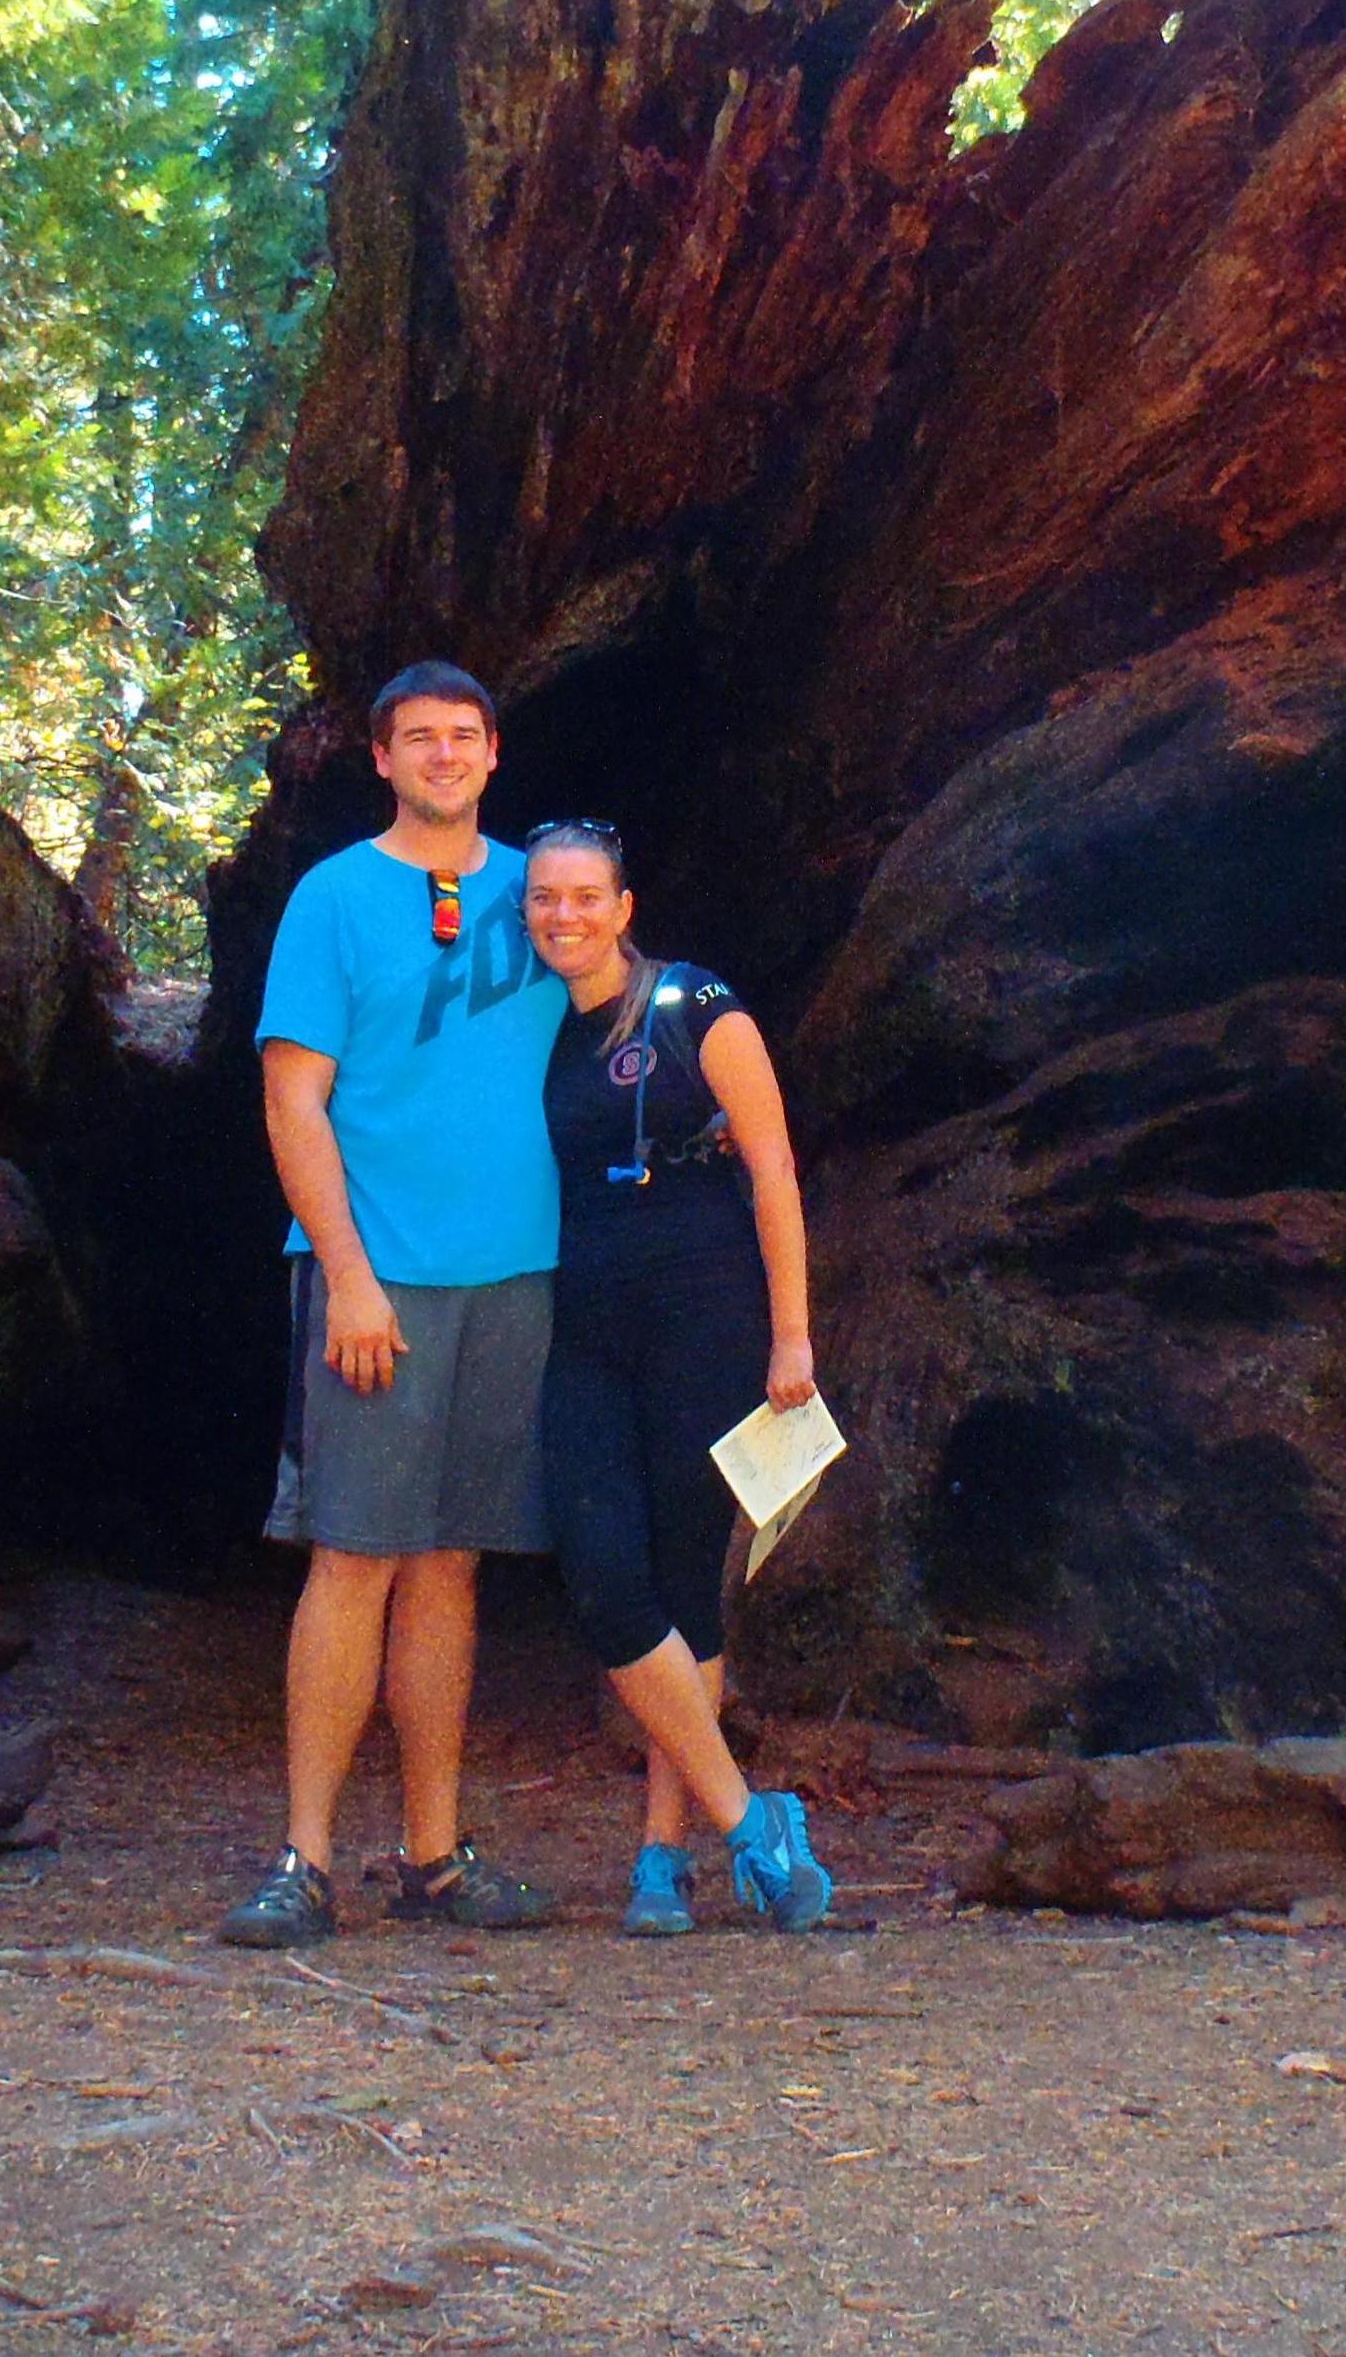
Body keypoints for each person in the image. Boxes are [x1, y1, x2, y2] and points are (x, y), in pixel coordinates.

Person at [221, 662, 567, 1949]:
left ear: (492, 752)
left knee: (449, 1563)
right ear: (379, 759)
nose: (442, 756)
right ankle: (303, 1858)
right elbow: (292, 1099)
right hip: (378, 1280)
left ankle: (433, 1853)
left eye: (463, 736)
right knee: (352, 1554)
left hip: (512, 1272)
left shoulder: (539, 892)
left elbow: (628, 1013)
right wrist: (349, 1275)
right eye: (417, 738)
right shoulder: (335, 899)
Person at [521, 819, 832, 1935]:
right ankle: (753, 1822)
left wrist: (791, 1338)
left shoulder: (696, 1008)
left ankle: (663, 1856)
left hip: (706, 1316)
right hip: (584, 1331)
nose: (565, 917)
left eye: (585, 897)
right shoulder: (528, 1031)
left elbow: (775, 1172)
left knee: (683, 1583)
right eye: (545, 900)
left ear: (623, 904)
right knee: (607, 1583)